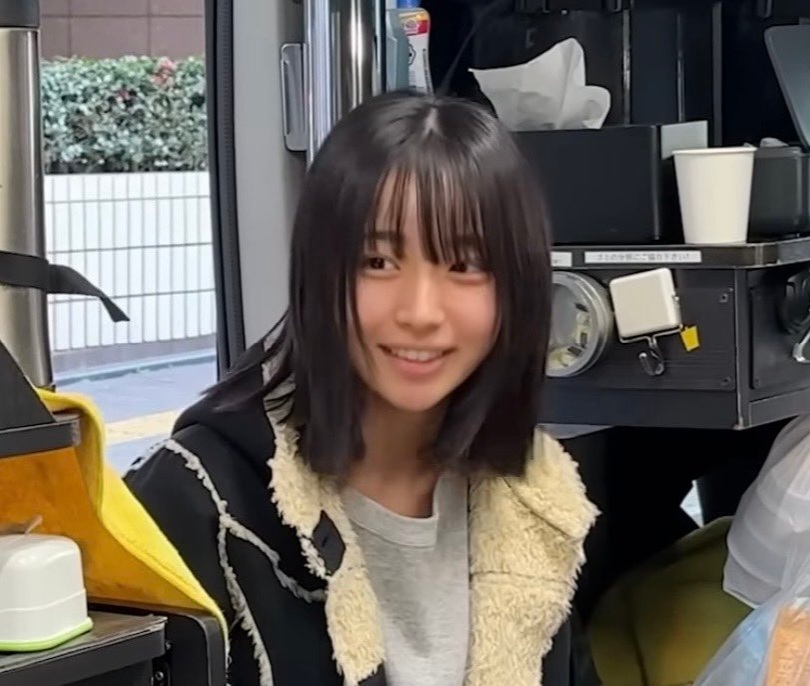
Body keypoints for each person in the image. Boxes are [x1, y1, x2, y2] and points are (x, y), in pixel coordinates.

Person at [125, 90, 598, 686]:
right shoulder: (196, 502)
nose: (420, 312)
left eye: (464, 265)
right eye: (377, 261)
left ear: (517, 288)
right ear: (319, 273)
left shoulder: (537, 504)